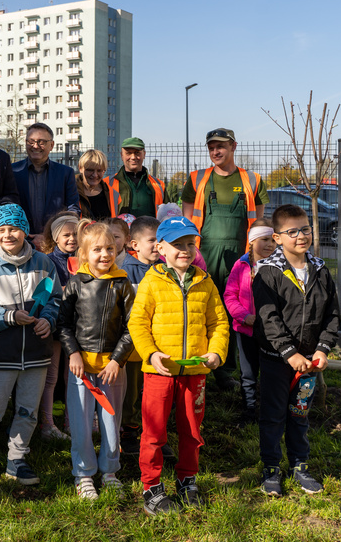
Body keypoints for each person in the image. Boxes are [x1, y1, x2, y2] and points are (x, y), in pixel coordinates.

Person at [127, 217, 230, 515]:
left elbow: (219, 322)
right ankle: (152, 487)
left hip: (195, 374)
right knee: (154, 432)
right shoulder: (151, 281)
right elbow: (138, 323)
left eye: (189, 243)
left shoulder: (205, 281)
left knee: (192, 431)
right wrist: (150, 354)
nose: (184, 250)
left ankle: (187, 480)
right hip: (160, 372)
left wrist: (216, 353)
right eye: (176, 244)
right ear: (160, 248)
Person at [0, 203, 62, 489]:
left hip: (36, 354)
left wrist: (48, 319)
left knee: (28, 410)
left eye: (14, 228)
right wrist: (8, 317)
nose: (8, 235)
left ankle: (17, 459)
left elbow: (53, 298)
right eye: (2, 230)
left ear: (25, 231)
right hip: (2, 353)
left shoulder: (44, 263)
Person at [253, 205, 339, 497]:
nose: (301, 236)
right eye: (292, 231)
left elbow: (332, 315)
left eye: (305, 229)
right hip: (278, 360)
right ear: (277, 238)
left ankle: (300, 465)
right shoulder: (268, 272)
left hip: (310, 363)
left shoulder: (321, 269)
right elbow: (269, 319)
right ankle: (271, 468)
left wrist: (323, 349)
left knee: (299, 413)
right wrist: (290, 353)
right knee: (274, 415)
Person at [181, 128, 269, 391]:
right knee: (203, 310)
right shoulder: (197, 179)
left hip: (240, 259)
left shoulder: (252, 180)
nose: (215, 152)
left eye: (220, 146)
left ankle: (225, 370)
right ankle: (197, 363)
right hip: (203, 256)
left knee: (233, 312)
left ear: (233, 146)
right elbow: (188, 221)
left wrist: (254, 258)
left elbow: (260, 225)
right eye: (211, 147)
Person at [58, 222, 134, 499]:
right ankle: (83, 474)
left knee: (111, 423)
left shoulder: (122, 284)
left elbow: (132, 327)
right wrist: (73, 353)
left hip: (112, 370)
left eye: (110, 248)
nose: (105, 254)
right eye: (98, 249)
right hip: (82, 370)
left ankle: (110, 470)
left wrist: (117, 361)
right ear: (84, 254)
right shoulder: (76, 283)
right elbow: (64, 324)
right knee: (79, 423)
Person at [224, 219, 276, 425]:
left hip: (273, 332)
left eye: (273, 240)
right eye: (264, 239)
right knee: (248, 372)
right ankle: (249, 409)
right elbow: (230, 296)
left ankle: (270, 410)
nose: (270, 244)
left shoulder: (280, 266)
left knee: (271, 371)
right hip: (247, 330)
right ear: (252, 241)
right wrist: (245, 316)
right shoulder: (241, 265)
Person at [117, 215, 160, 455]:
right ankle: (129, 431)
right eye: (151, 240)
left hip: (159, 340)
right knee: (132, 390)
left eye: (160, 240)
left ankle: (153, 431)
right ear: (135, 245)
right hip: (134, 342)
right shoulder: (127, 271)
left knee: (152, 389)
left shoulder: (164, 268)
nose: (157, 245)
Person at [38, 211, 80, 441]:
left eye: (76, 234)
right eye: (66, 235)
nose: (72, 239)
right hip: (56, 327)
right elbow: (42, 294)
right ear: (55, 238)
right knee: (51, 375)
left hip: (78, 327)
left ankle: (73, 420)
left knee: (72, 375)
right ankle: (47, 424)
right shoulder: (47, 261)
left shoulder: (84, 259)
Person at [12, 123, 79, 243]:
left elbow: (73, 208)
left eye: (41, 142)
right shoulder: (12, 171)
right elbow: (7, 206)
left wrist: (50, 234)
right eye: (30, 142)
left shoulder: (65, 173)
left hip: (54, 241)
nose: (35, 146)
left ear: (52, 145)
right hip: (20, 241)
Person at [103, 138, 166, 218]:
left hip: (152, 230)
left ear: (144, 154)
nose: (133, 157)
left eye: (137, 153)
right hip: (119, 230)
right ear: (121, 155)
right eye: (128, 153)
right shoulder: (107, 184)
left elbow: (168, 216)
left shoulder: (159, 185)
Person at [76, 150, 112, 220]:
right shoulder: (70, 192)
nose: (95, 175)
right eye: (90, 170)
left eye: (99, 171)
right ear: (80, 168)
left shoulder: (111, 193)